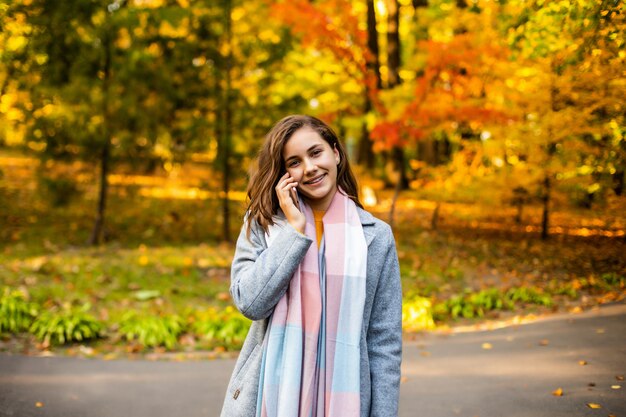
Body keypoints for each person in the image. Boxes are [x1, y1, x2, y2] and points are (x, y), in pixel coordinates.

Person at [220, 115, 402, 417]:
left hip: (346, 399)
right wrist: (294, 232)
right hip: (269, 397)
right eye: (294, 162)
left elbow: (384, 341)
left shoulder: (375, 237)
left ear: (336, 153)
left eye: (316, 153)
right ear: (284, 173)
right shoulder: (265, 223)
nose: (309, 168)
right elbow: (250, 302)